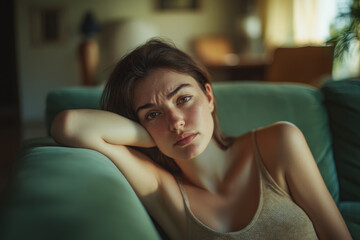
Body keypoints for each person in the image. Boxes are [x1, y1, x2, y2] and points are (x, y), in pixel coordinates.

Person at [51, 39, 352, 240]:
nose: (176, 121)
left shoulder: (279, 143)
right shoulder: (161, 188)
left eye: (183, 99)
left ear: (208, 96)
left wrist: (158, 126)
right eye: (152, 114)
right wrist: (152, 133)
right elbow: (70, 125)